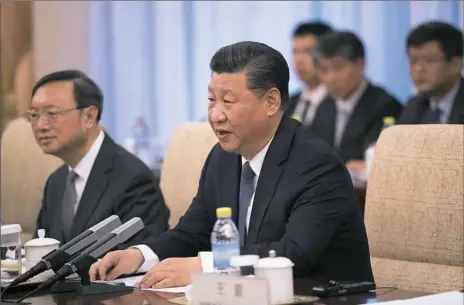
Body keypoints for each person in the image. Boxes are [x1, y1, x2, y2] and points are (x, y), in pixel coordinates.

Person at [89, 41, 373, 288]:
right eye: (211, 100)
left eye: (228, 101)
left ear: (271, 101)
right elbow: (193, 232)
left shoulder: (316, 165)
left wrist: (205, 267)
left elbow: (292, 254)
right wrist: (139, 255)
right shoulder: (222, 158)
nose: (215, 115)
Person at [27, 70, 170, 245]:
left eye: (52, 113)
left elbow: (138, 258)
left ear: (89, 116)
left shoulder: (133, 179)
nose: (41, 125)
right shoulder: (56, 183)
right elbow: (41, 253)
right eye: (34, 115)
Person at [310, 31, 403, 171]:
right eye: (324, 70)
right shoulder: (324, 106)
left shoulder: (385, 106)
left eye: (338, 67)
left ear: (360, 65)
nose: (331, 78)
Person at [397, 21, 464, 125]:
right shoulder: (412, 107)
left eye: (429, 60)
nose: (418, 69)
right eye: (413, 61)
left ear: (455, 64)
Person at [285, 21, 333, 126]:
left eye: (307, 52)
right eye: (295, 52)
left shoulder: (339, 104)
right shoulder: (287, 104)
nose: (299, 60)